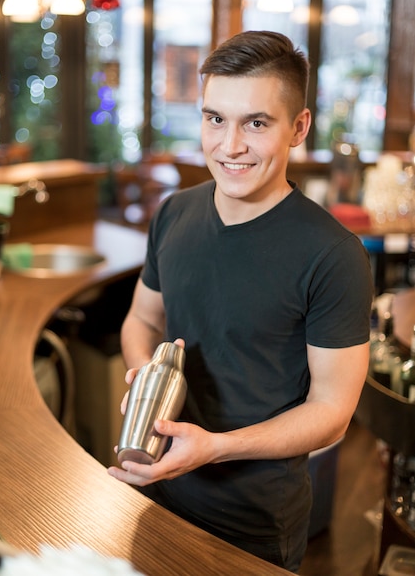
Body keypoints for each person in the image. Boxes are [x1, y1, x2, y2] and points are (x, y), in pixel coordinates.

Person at [108, 30, 374, 573]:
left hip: (251, 522)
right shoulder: (174, 213)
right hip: (152, 489)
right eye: (214, 119)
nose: (229, 145)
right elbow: (142, 318)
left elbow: (332, 413)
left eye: (256, 123)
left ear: (298, 127)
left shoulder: (333, 254)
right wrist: (147, 382)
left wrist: (212, 447)